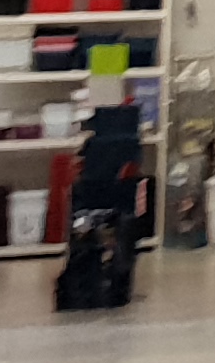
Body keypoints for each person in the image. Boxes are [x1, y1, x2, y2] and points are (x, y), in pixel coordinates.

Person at [54, 102, 147, 312]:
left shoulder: (92, 146)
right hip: (120, 203)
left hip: (88, 203)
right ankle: (117, 288)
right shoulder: (132, 146)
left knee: (83, 240)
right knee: (123, 237)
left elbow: (80, 176)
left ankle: (82, 286)